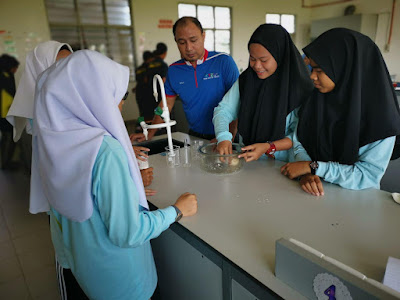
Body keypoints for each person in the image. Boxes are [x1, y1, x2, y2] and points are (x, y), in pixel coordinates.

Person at [31, 50, 198, 299]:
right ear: (93, 96)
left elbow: (60, 217)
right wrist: (177, 210)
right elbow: (128, 232)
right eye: (118, 95)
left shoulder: (52, 141)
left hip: (88, 274)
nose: (121, 103)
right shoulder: (105, 151)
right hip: (126, 283)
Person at [281, 28, 400, 196]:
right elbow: (298, 139)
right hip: (311, 195)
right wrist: (306, 172)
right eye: (312, 69)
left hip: (356, 202)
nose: (312, 76)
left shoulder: (382, 120)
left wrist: (314, 167)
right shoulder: (316, 101)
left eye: (320, 71)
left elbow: (366, 176)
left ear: (345, 70)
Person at [213, 24, 314, 162]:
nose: (257, 65)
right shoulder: (247, 79)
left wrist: (268, 147)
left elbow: (299, 136)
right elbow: (223, 109)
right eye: (252, 58)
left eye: (264, 60)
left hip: (282, 163)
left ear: (280, 56)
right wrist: (223, 136)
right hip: (247, 158)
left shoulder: (300, 87)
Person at [131, 17, 239, 142]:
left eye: (193, 40)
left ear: (203, 36)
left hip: (226, 135)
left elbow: (236, 102)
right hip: (195, 135)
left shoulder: (223, 62)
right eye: (182, 42)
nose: (188, 48)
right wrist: (149, 133)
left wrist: (227, 137)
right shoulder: (174, 70)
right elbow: (165, 106)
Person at [0, 54, 19, 168]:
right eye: (15, 67)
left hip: (6, 113)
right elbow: (12, 93)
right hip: (4, 114)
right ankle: (5, 163)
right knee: (8, 138)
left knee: (8, 138)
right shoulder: (4, 77)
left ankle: (6, 161)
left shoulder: (7, 75)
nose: (16, 70)